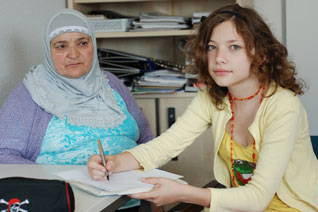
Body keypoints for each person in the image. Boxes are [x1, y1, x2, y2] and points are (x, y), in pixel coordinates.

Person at [87, 4, 318, 212]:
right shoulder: (212, 97)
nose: (219, 58)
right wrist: (114, 162)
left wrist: (183, 192)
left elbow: (257, 199)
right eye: (211, 47)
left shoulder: (284, 106)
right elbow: (164, 147)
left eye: (234, 47)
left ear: (261, 53)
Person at [0, 9, 155, 211]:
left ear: (93, 45)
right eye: (61, 46)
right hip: (66, 204)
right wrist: (58, 181)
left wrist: (152, 191)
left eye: (82, 43)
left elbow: (147, 140)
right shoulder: (30, 94)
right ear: (48, 51)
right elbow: (4, 155)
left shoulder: (111, 84)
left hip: (131, 201)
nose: (73, 54)